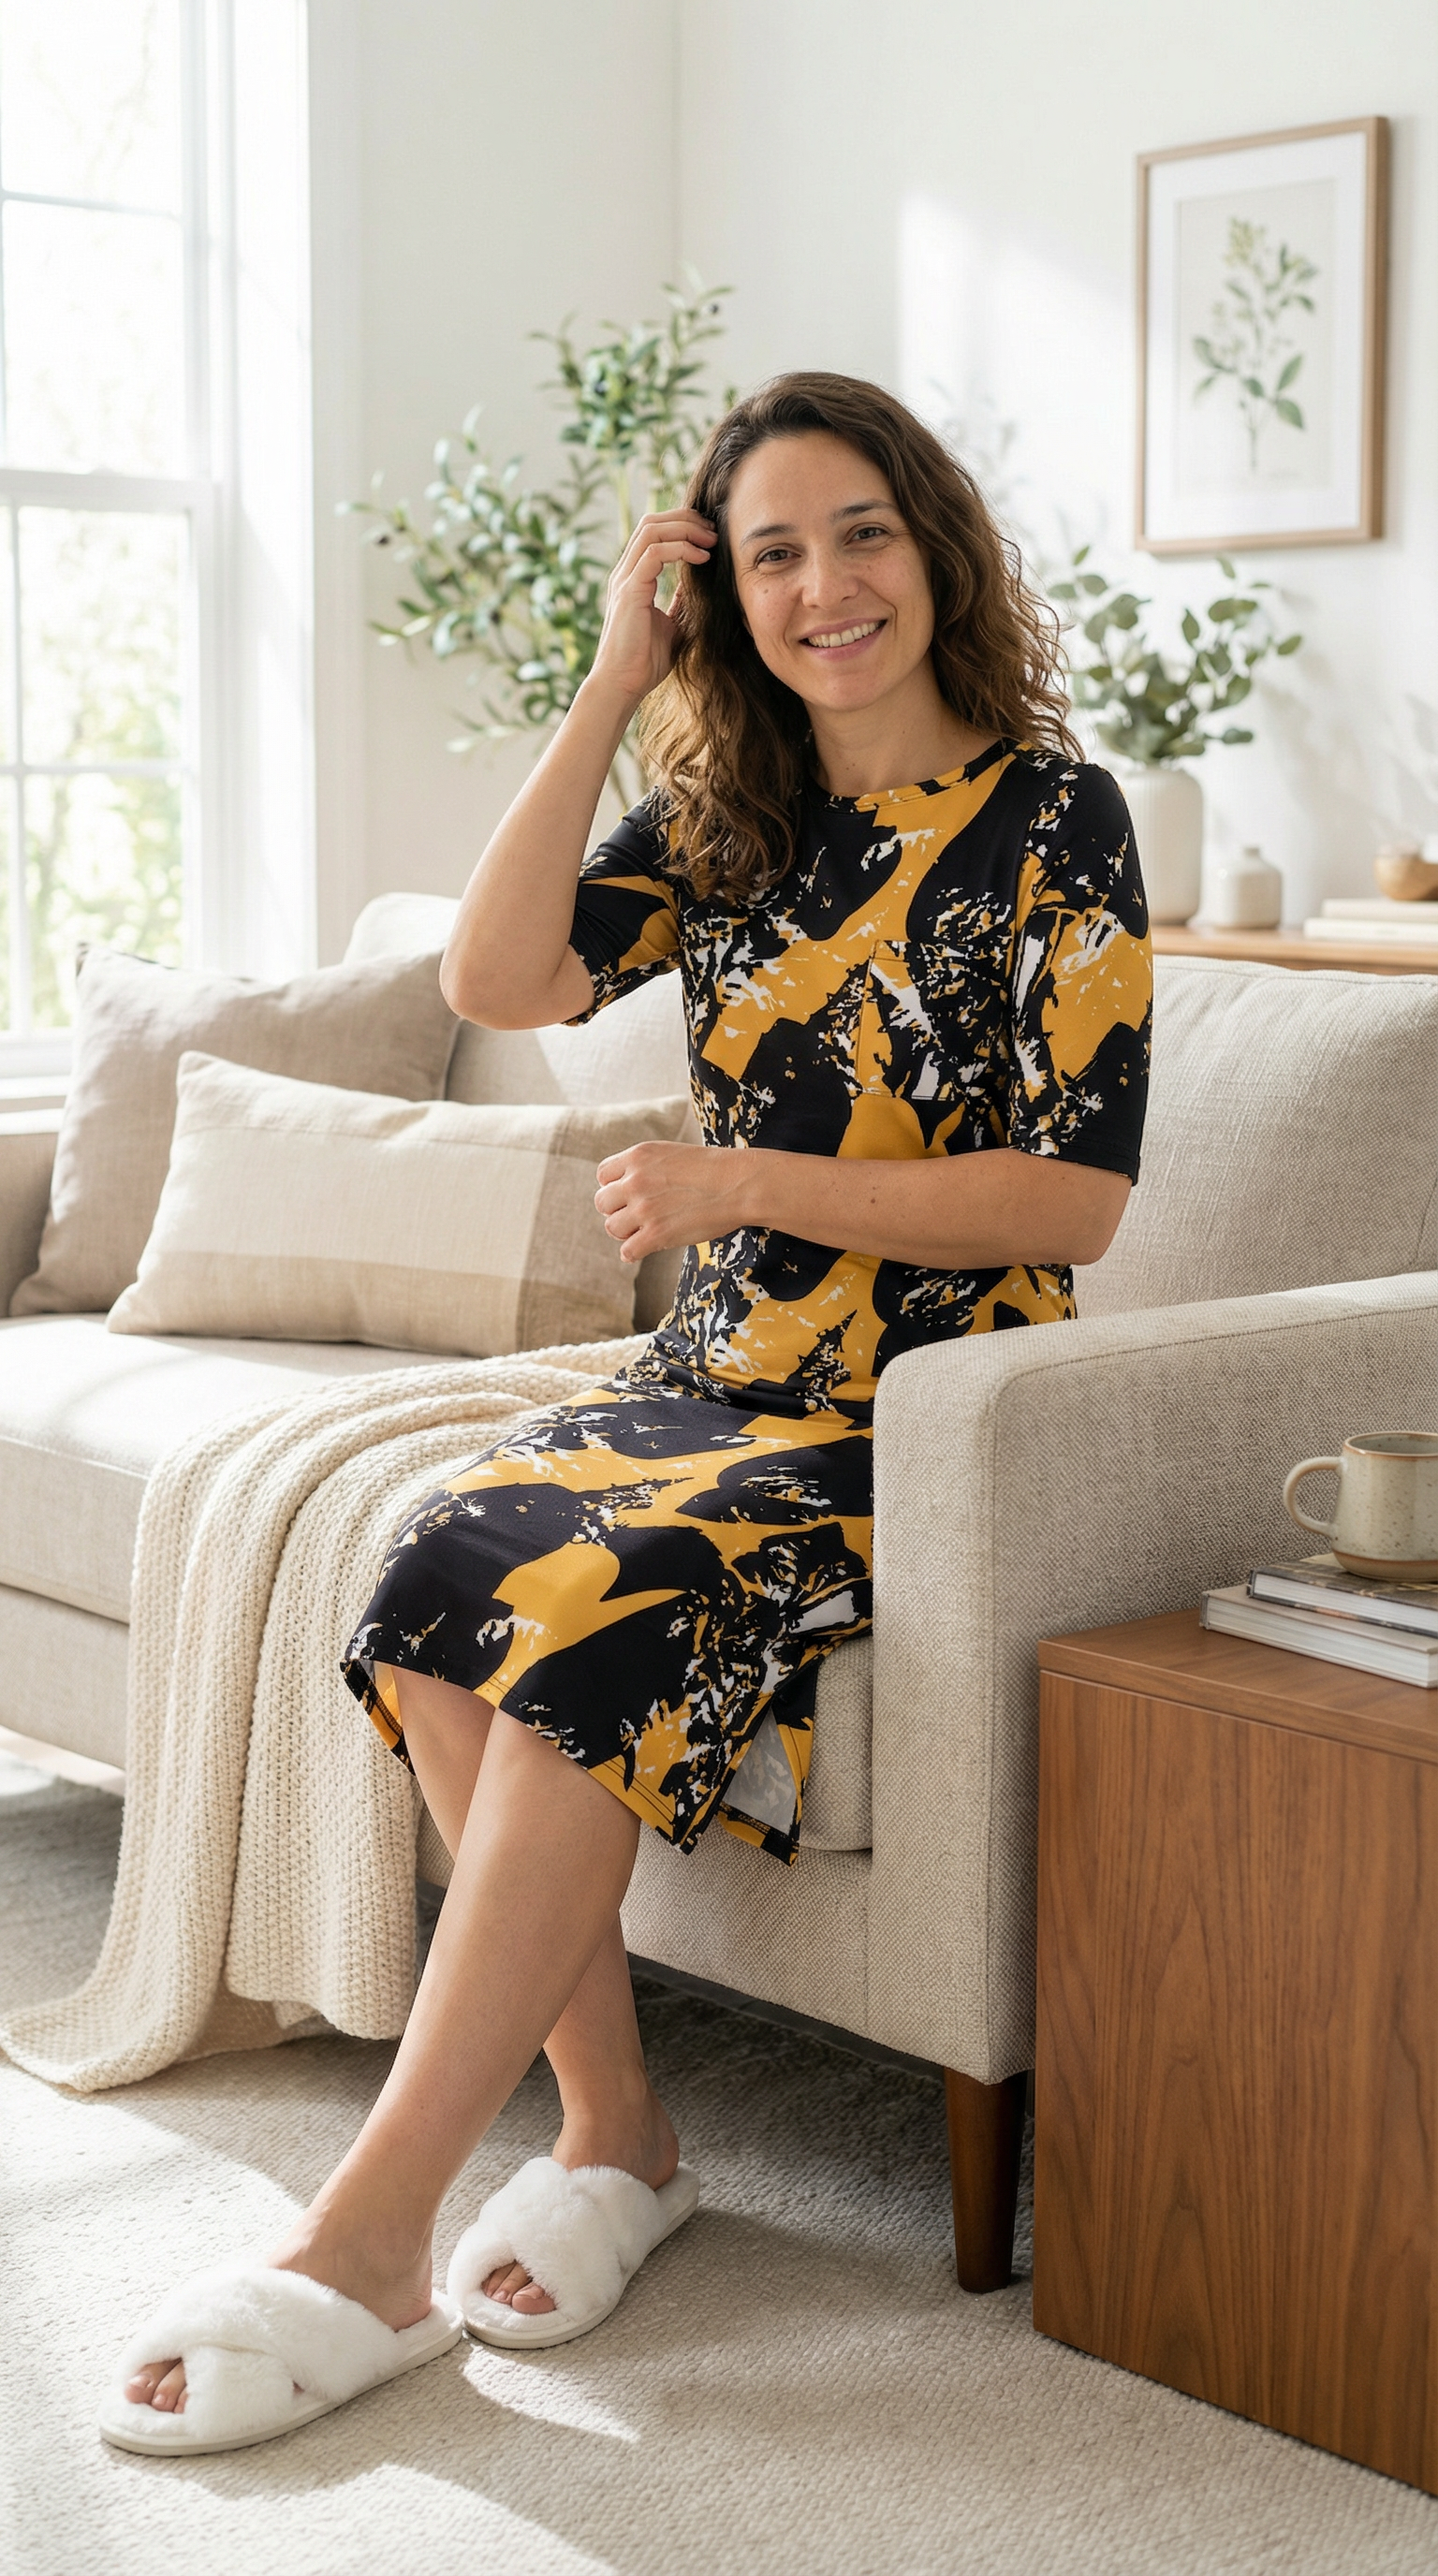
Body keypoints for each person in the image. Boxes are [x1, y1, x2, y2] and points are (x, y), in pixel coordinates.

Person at [110, 372, 1151, 2451]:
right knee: (430, 1567)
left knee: (588, 1602)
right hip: (709, 1377)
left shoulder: (1056, 817)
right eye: (771, 552)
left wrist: (743, 1178)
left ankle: (369, 2232)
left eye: (860, 531)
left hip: (919, 1413)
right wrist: (613, 678)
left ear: (933, 544)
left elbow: (1076, 1196)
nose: (826, 585)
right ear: (723, 590)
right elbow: (495, 983)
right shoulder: (726, 820)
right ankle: (622, 2130)